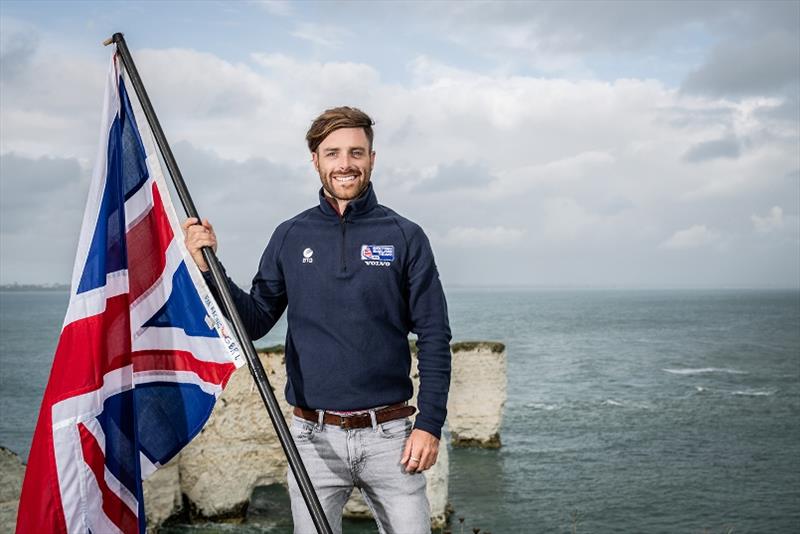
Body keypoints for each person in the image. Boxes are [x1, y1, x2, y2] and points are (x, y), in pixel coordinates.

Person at [183, 106, 452, 534]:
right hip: (312, 438)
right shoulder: (290, 235)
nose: (345, 164)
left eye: (355, 153)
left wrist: (429, 425)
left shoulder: (405, 236)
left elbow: (435, 336)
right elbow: (254, 321)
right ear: (315, 160)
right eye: (333, 153)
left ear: (372, 158)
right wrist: (208, 270)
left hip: (393, 438)